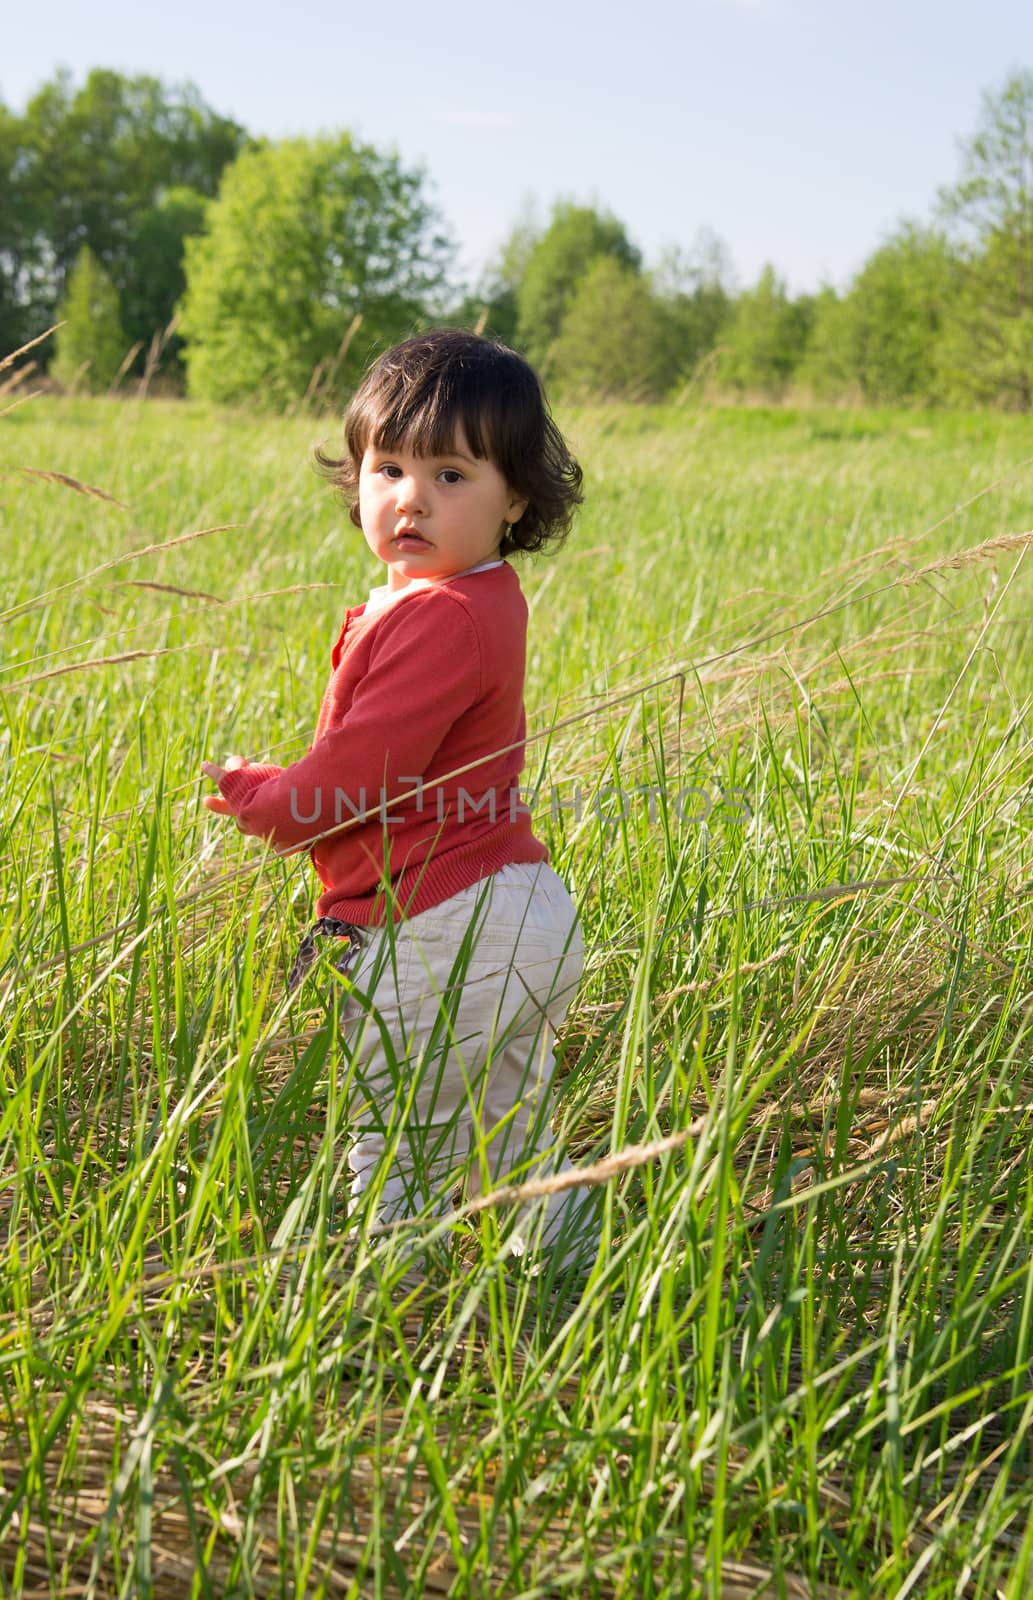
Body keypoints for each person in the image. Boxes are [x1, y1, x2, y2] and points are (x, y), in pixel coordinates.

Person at [201, 329, 591, 1265]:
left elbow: (357, 781)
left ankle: (377, 1310)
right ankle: (574, 1278)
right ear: (358, 478)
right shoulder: (477, 596)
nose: (410, 497)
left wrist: (266, 799)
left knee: (399, 1140)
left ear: (517, 501)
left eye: (451, 476)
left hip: (440, 923)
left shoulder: (440, 619)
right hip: (509, 909)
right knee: (506, 1139)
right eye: (388, 468)